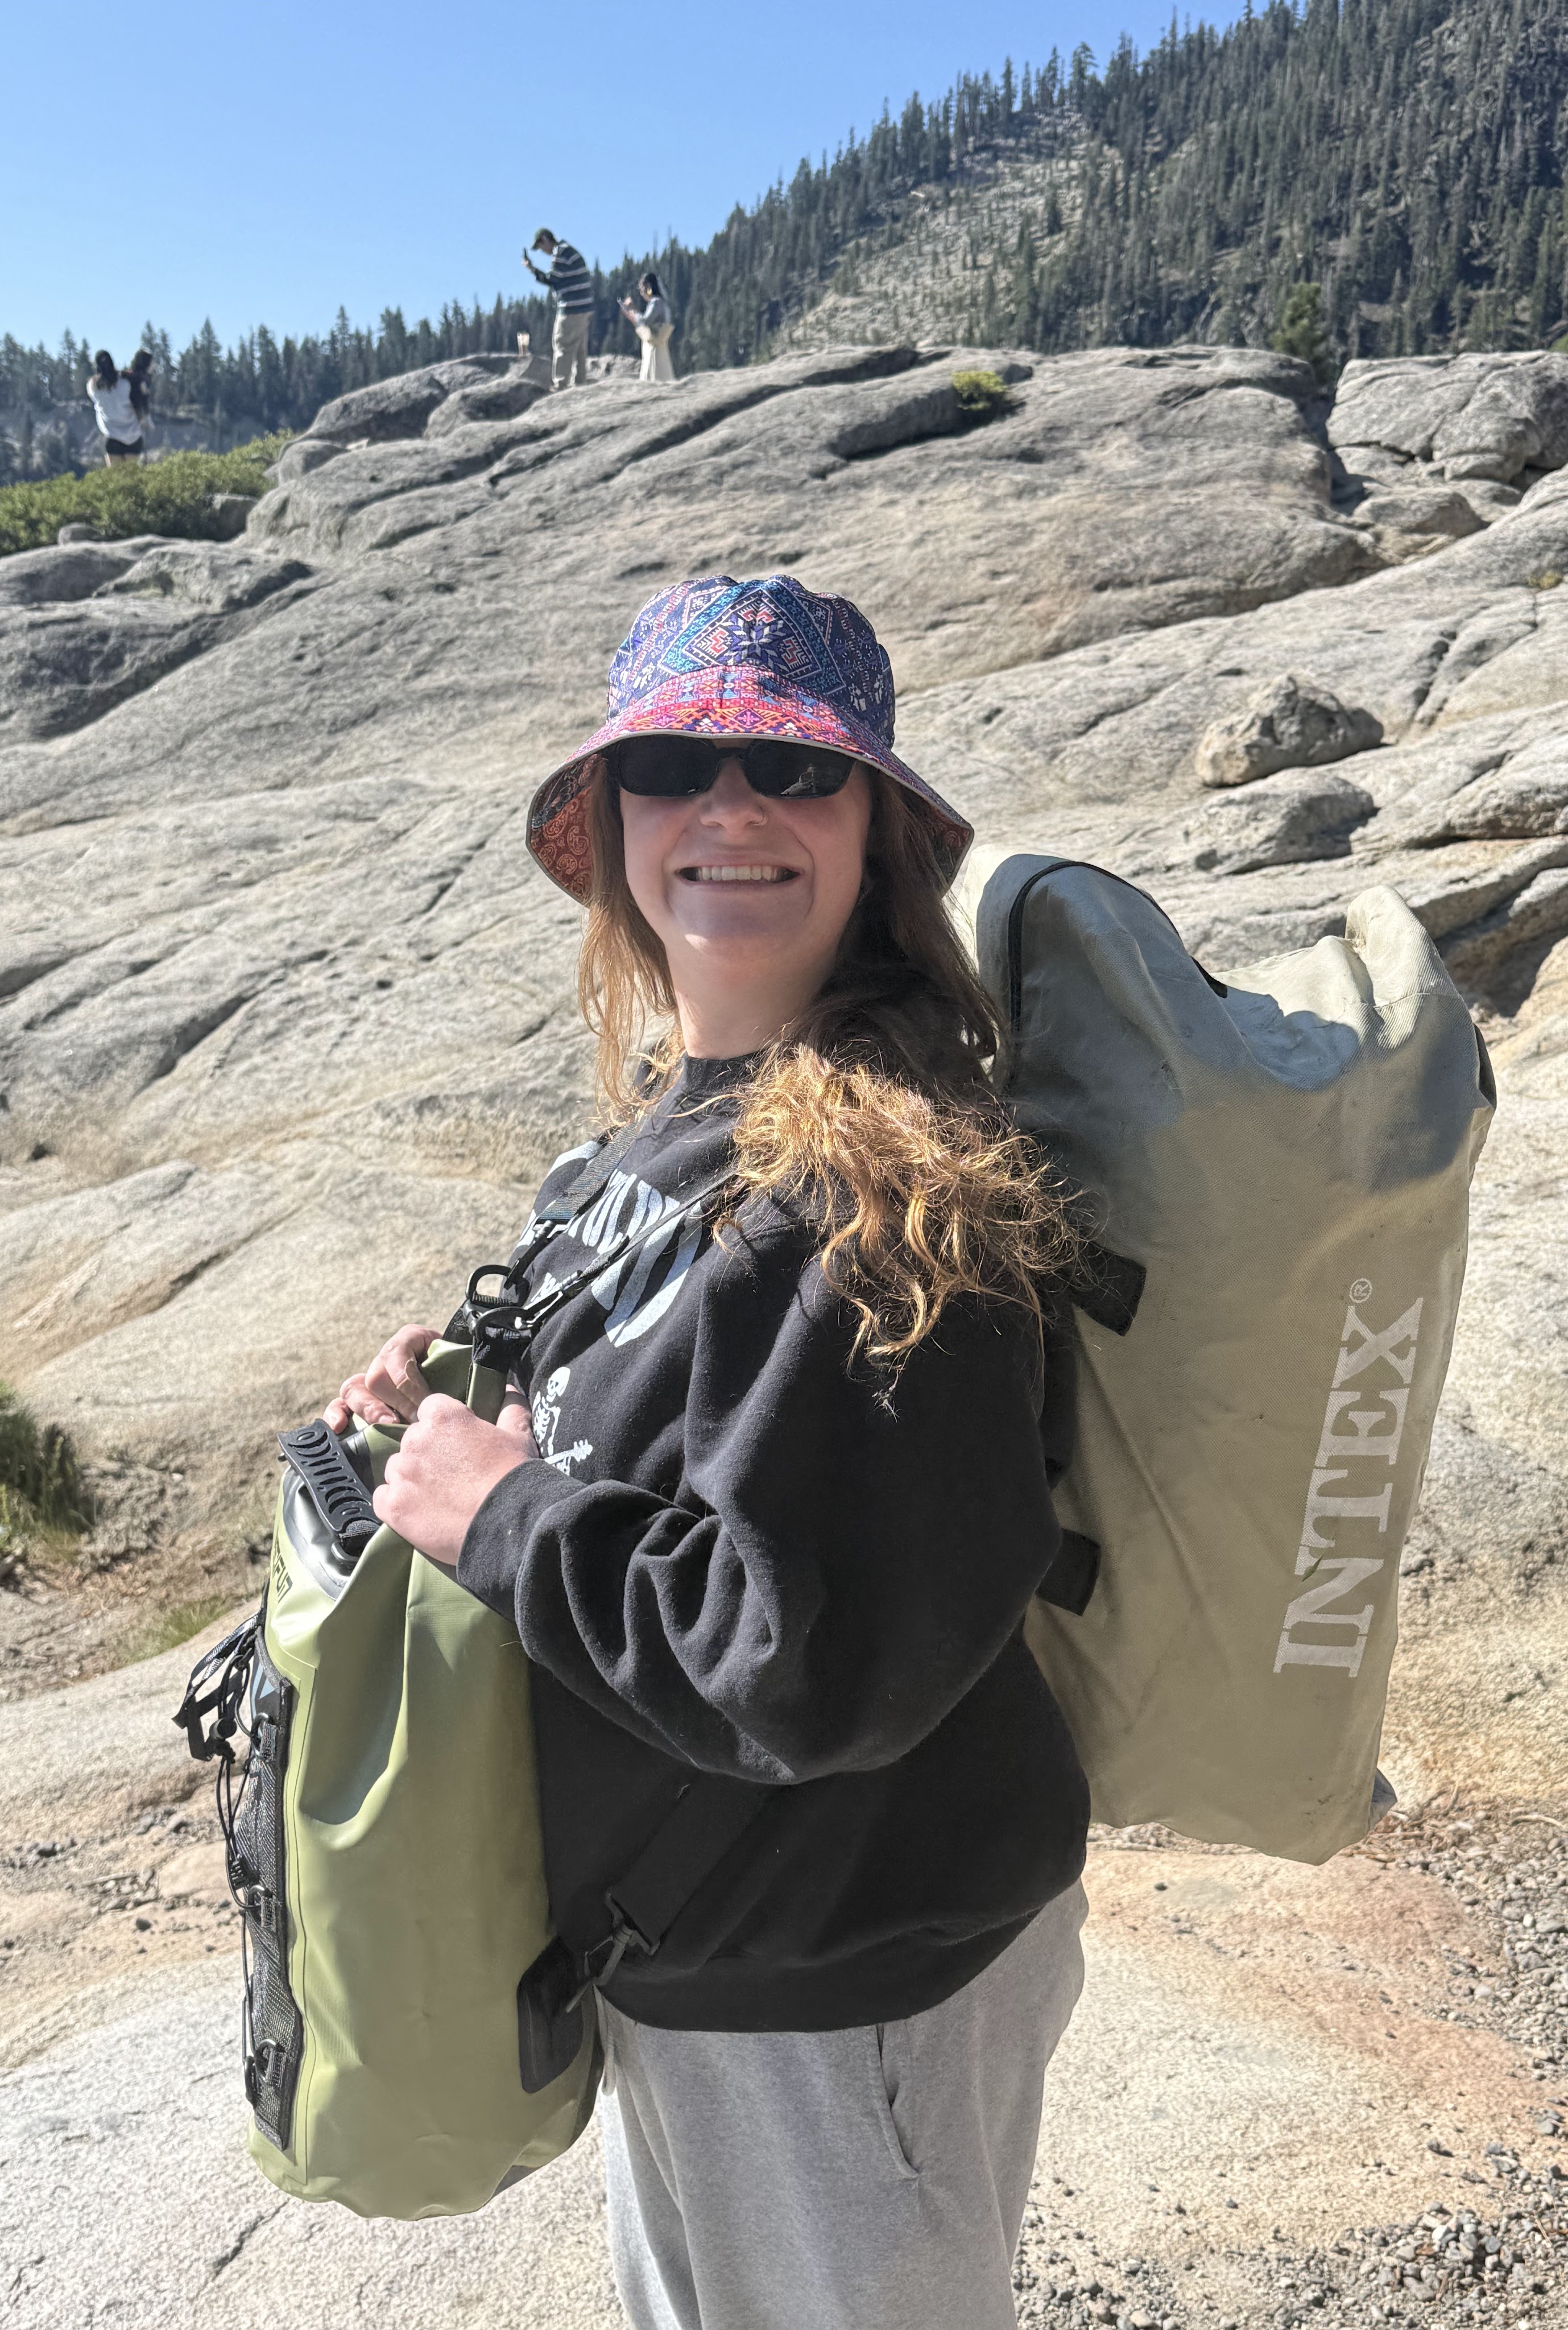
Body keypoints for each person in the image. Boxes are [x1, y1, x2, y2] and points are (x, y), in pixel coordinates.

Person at [324, 572, 1091, 2330]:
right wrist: (462, 1418)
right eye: (675, 764)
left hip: (844, 1982)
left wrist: (505, 1515)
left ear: (873, 834)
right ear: (610, 825)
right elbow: (664, 1438)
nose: (730, 807)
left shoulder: (891, 1194)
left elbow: (813, 1664)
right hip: (703, 1945)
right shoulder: (663, 1137)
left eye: (793, 769)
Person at [524, 226, 594, 389]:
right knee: (580, 347)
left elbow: (553, 280)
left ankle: (561, 384)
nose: (543, 252)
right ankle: (580, 381)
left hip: (571, 308)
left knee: (563, 344)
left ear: (545, 239)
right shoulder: (569, 251)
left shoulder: (560, 253)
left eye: (541, 247)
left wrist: (533, 270)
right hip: (585, 306)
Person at [87, 349, 143, 465]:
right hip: (133, 435)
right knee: (133, 474)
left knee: (116, 476)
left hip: (112, 436)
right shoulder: (126, 384)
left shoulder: (94, 387)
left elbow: (93, 392)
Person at [619, 270, 676, 382]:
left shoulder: (657, 302)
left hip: (655, 345)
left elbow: (646, 321)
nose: (642, 293)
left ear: (649, 287)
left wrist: (633, 312)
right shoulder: (660, 302)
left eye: (642, 289)